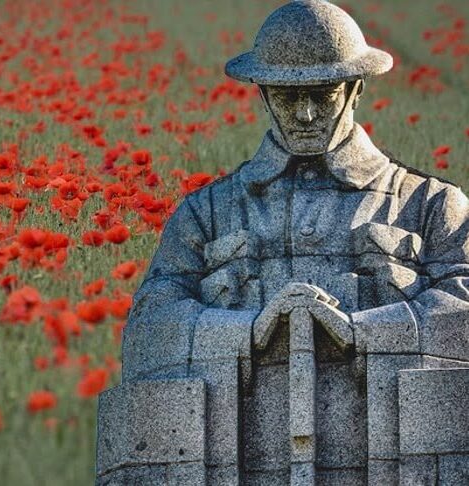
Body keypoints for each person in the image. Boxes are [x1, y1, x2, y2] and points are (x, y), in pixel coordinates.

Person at [98, 1, 469, 483]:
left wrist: (362, 331)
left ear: (356, 89)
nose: (306, 113)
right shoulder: (206, 213)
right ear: (263, 93)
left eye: (323, 94)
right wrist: (249, 330)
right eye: (288, 96)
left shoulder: (430, 204)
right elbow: (150, 324)